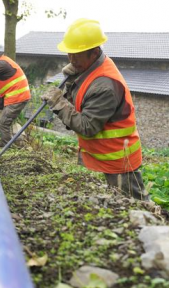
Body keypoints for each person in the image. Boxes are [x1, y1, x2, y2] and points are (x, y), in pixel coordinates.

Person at [41, 18, 149, 201]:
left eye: (77, 55)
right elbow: (82, 102)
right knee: (111, 208)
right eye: (70, 54)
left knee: (135, 206)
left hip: (118, 160)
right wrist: (74, 79)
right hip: (102, 156)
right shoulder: (91, 68)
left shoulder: (105, 85)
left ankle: (160, 226)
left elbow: (87, 126)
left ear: (95, 52)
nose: (72, 59)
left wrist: (59, 104)